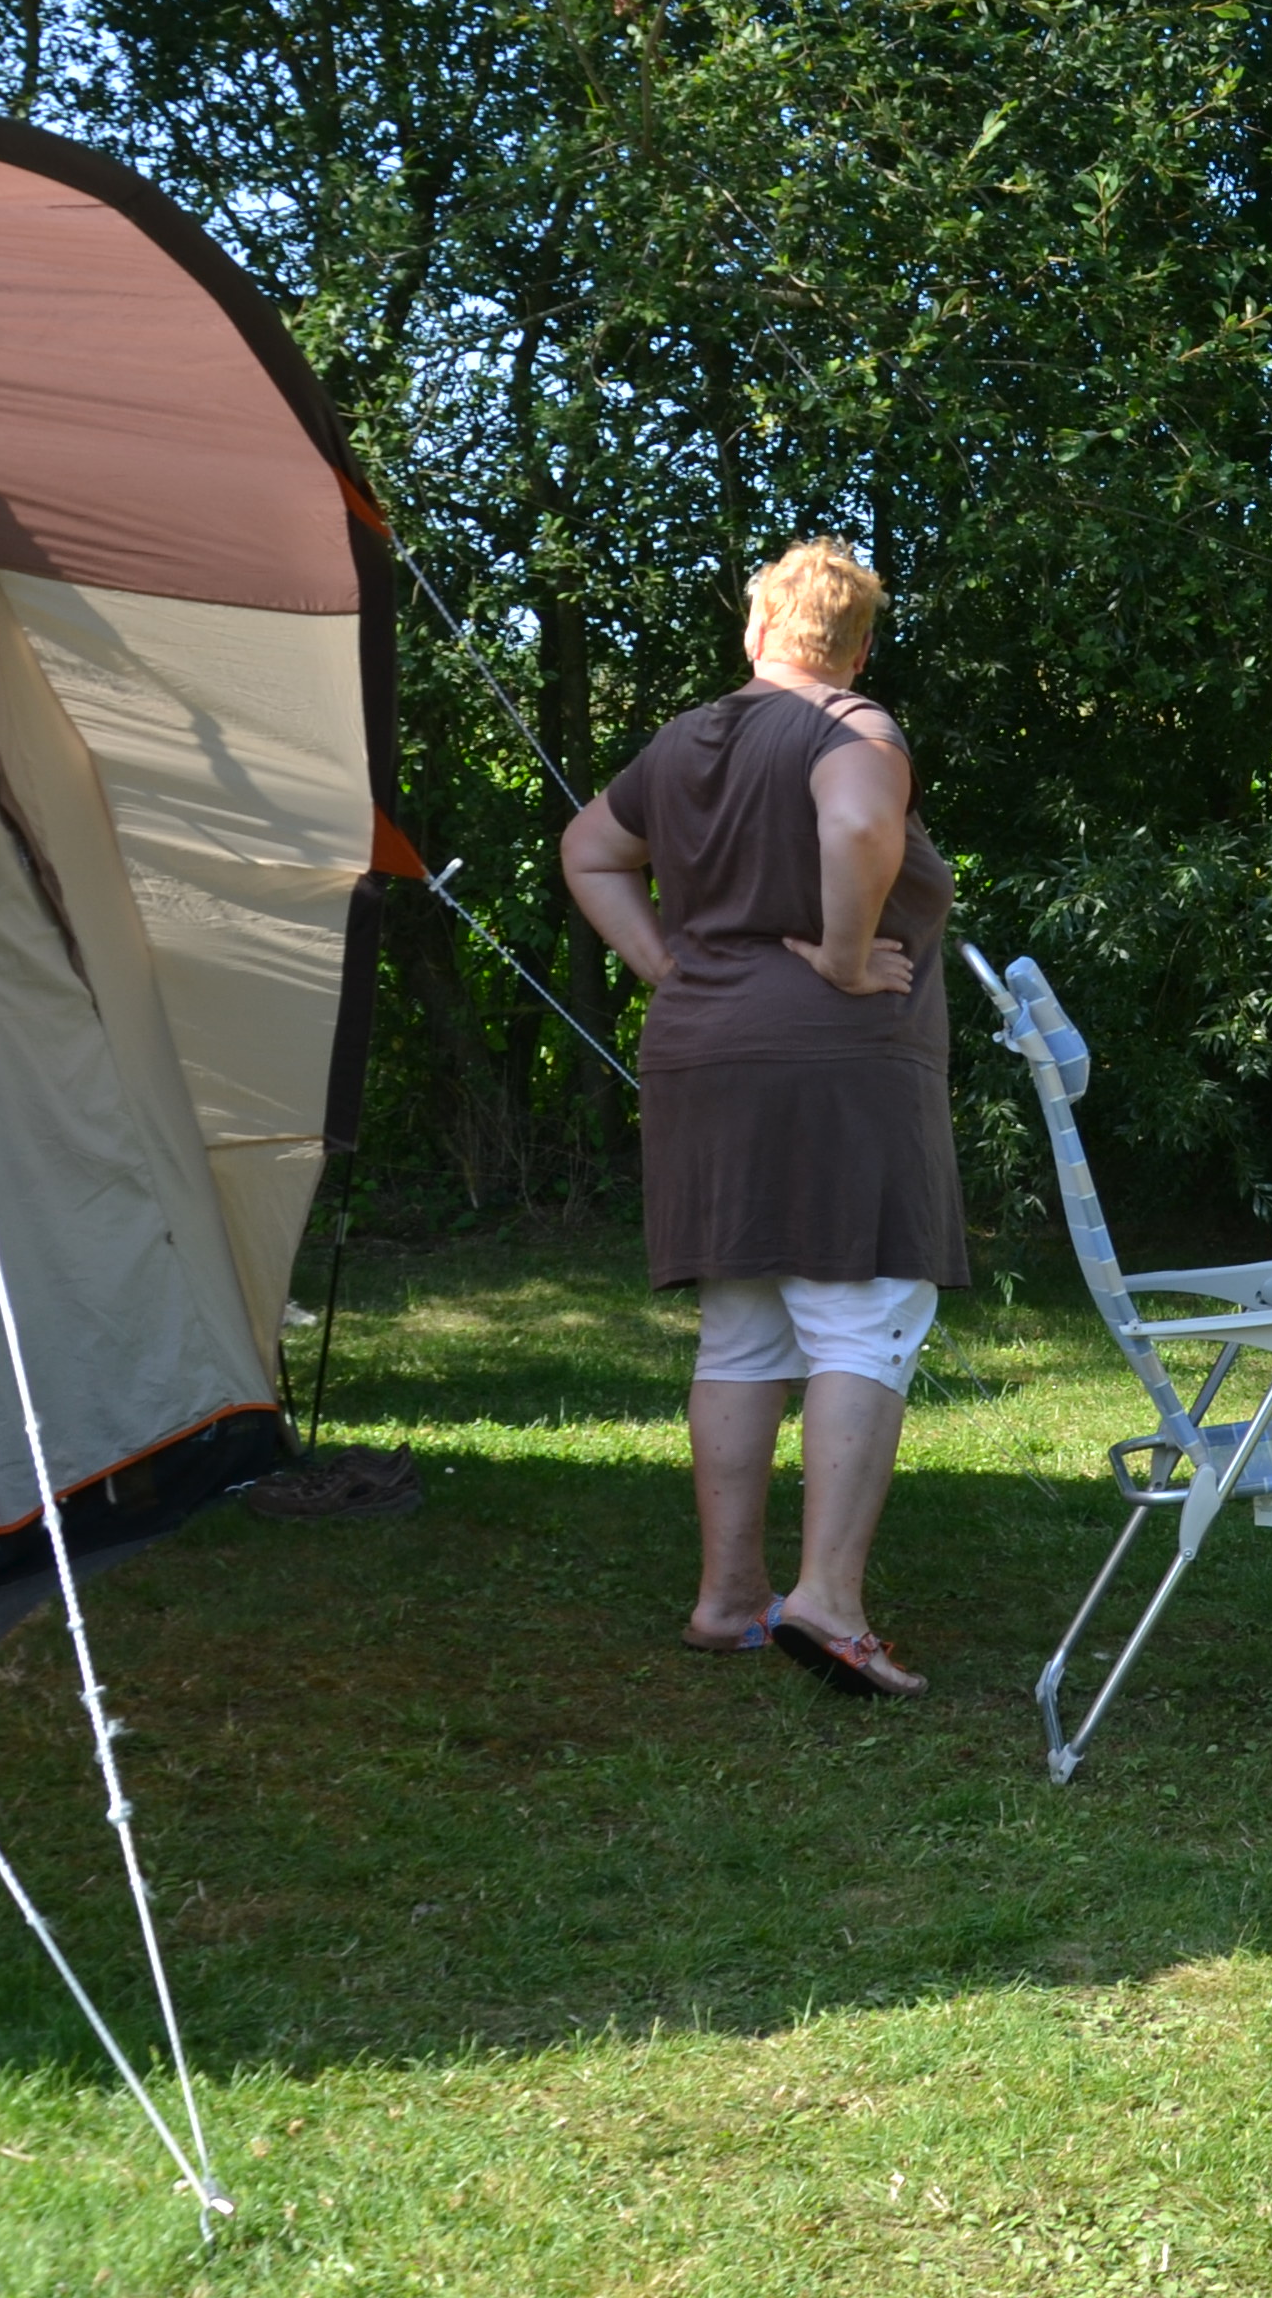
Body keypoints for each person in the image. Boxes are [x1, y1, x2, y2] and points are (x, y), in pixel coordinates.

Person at [561, 538, 960, 1699]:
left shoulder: (683, 740)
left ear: (756, 632)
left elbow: (589, 851)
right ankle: (827, 1600)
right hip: (831, 1066)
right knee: (866, 1311)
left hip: (703, 1056)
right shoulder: (856, 729)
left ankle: (729, 1600)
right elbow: (853, 828)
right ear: (861, 645)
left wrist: (662, 965)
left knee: (741, 1328)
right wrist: (841, 959)